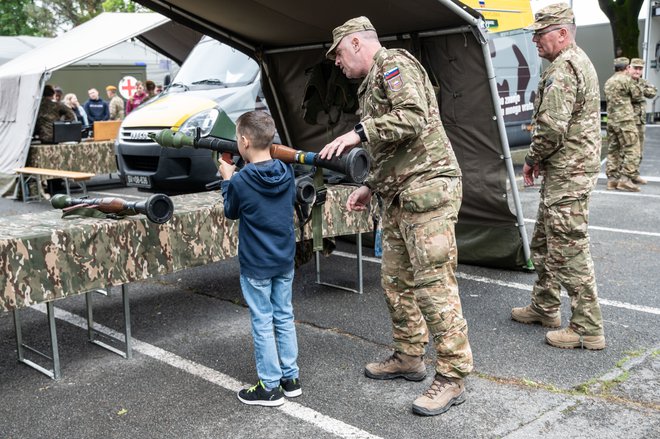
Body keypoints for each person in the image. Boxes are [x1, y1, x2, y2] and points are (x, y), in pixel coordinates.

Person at [320, 17, 473, 417]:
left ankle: (453, 376)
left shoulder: (394, 65)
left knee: (434, 286)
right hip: (398, 194)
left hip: (428, 190)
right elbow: (396, 147)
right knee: (395, 282)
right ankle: (409, 357)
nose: (337, 62)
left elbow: (413, 117)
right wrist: (370, 184)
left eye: (338, 53)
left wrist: (358, 132)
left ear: (355, 43)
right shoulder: (371, 84)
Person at [512, 3, 605, 350]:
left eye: (541, 33)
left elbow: (551, 128)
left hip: (568, 174)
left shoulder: (565, 67)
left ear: (562, 34)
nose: (535, 40)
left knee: (569, 249)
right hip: (568, 172)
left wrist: (532, 158)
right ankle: (545, 305)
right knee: (545, 242)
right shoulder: (577, 61)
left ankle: (587, 327)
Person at [218, 110, 301, 407]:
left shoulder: (242, 181)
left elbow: (231, 210)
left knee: (263, 321)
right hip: (284, 259)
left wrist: (227, 179)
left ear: (244, 141)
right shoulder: (286, 170)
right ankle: (291, 378)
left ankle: (269, 385)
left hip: (256, 264)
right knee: (284, 315)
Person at [604, 57, 642, 192]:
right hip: (625, 120)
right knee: (633, 148)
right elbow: (637, 96)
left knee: (613, 150)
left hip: (612, 120)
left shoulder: (609, 81)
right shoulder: (627, 80)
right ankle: (625, 180)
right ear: (627, 68)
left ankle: (612, 180)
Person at [629, 57, 657, 185]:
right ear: (629, 68)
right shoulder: (624, 81)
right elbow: (633, 95)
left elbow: (652, 92)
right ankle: (622, 176)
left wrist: (641, 89)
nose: (637, 71)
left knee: (639, 149)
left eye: (640, 69)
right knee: (628, 149)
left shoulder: (642, 82)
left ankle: (634, 174)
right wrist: (641, 91)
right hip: (628, 121)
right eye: (635, 68)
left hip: (640, 120)